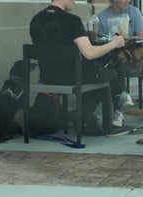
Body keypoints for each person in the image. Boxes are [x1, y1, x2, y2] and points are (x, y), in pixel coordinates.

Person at [29, 0, 126, 133]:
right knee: (112, 74)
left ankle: (85, 116)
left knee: (98, 72)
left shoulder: (36, 20)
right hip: (73, 76)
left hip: (47, 76)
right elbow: (90, 53)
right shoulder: (72, 21)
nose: (75, 2)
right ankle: (81, 113)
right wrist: (114, 44)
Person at [97, 0, 143, 126]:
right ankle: (122, 98)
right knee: (114, 64)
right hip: (112, 57)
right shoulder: (102, 17)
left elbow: (141, 37)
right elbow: (99, 39)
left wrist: (125, 39)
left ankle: (118, 108)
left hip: (132, 58)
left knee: (114, 66)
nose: (128, 0)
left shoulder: (134, 12)